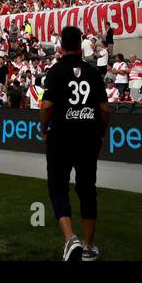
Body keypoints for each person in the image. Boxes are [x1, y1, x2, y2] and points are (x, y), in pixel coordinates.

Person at [39, 25, 108, 262]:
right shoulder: (93, 72)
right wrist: (101, 132)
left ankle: (71, 239)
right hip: (87, 138)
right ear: (80, 44)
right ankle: (89, 246)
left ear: (61, 44)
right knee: (87, 189)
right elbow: (104, 108)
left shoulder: (55, 71)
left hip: (61, 137)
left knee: (58, 187)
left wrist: (43, 129)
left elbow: (46, 106)